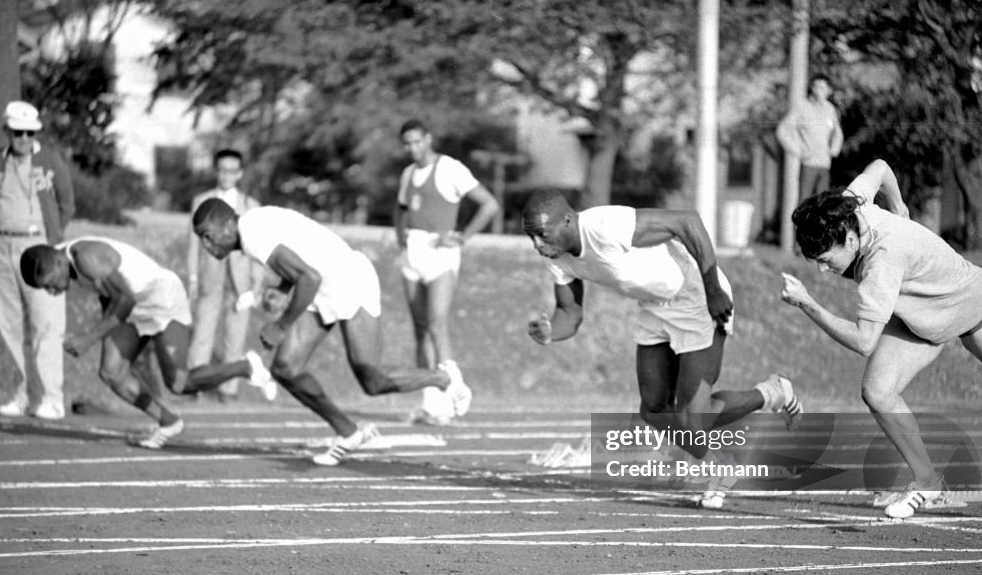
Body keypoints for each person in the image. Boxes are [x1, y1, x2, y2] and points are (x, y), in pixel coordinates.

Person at [523, 189, 803, 509]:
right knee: (654, 409)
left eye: (541, 235)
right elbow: (570, 315)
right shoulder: (558, 260)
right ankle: (718, 461)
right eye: (531, 237)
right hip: (655, 306)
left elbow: (687, 221)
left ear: (567, 220)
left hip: (697, 294)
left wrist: (712, 287)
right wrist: (550, 332)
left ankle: (773, 393)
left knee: (692, 417)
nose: (537, 245)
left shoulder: (605, 226)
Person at [781, 158, 982, 519]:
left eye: (825, 259)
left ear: (850, 239)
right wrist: (898, 205)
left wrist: (808, 304)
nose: (822, 269)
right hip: (923, 317)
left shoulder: (881, 261)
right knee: (878, 390)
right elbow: (881, 167)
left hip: (970, 305)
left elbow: (864, 342)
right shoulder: (849, 206)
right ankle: (927, 482)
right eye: (814, 261)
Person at [191, 198, 473, 465]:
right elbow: (303, 256)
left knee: (373, 380)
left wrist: (280, 325)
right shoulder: (252, 224)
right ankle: (350, 433)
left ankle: (444, 377)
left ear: (227, 224)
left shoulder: (252, 234)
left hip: (348, 281)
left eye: (207, 234)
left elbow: (308, 276)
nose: (206, 244)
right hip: (323, 288)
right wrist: (281, 288)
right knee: (286, 368)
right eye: (201, 238)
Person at [18, 237, 278, 448]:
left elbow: (125, 299)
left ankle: (245, 366)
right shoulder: (70, 265)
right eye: (47, 289)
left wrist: (89, 338)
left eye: (50, 284)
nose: (52, 292)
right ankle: (168, 421)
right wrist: (103, 332)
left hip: (160, 296)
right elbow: (111, 296)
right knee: (111, 372)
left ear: (55, 261)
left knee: (178, 382)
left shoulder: (85, 256)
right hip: (134, 306)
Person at [394, 119, 499, 425]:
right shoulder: (408, 173)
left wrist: (463, 237)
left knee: (438, 325)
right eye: (407, 143)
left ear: (428, 138)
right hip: (412, 252)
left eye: (417, 141)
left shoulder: (450, 168)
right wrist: (401, 241)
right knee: (420, 330)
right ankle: (432, 406)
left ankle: (456, 390)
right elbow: (400, 209)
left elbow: (489, 205)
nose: (413, 148)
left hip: (441, 253)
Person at [0, 101, 73, 420]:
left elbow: (66, 203)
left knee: (46, 321)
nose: (23, 138)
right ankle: (23, 394)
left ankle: (52, 397)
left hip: (40, 245)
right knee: (10, 325)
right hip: (4, 244)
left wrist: (52, 238)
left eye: (29, 133)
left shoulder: (50, 160)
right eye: (17, 132)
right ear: (7, 131)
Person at [187, 148, 264, 403]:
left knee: (235, 337)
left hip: (240, 278)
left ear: (239, 173)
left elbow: (256, 250)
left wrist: (256, 287)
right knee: (202, 333)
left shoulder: (251, 205)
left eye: (232, 170)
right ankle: (194, 385)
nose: (226, 175)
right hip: (210, 273)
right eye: (222, 170)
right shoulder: (201, 200)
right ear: (216, 171)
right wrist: (193, 277)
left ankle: (228, 390)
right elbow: (193, 244)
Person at [776, 74, 844, 202]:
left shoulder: (830, 109)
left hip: (824, 165)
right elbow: (782, 130)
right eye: (816, 87)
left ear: (829, 91)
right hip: (808, 164)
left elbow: (838, 133)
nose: (819, 91)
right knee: (805, 203)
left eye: (823, 88)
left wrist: (834, 149)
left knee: (823, 203)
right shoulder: (802, 107)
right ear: (811, 88)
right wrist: (797, 151)